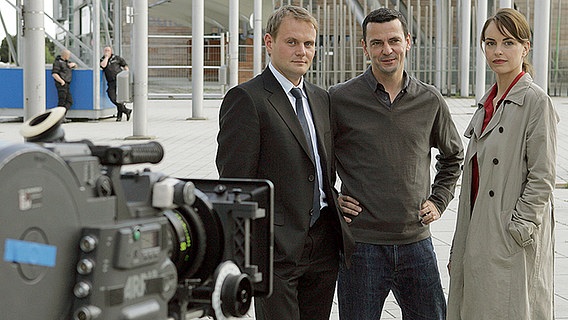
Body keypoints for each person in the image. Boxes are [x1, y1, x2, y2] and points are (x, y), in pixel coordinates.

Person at [216, 5, 354, 320]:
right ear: (269, 42)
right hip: (277, 249)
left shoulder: (321, 98)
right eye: (291, 42)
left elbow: (319, 166)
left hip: (323, 243)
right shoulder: (247, 99)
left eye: (308, 44)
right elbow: (235, 184)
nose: (301, 51)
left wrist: (332, 198)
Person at [330, 8, 464, 320]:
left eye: (393, 40)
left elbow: (453, 156)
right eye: (376, 43)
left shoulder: (429, 100)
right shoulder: (339, 99)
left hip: (416, 244)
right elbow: (314, 159)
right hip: (361, 246)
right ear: (364, 47)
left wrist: (439, 199)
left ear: (408, 41)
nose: (386, 50)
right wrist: (332, 198)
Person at [446, 8, 558, 320]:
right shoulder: (487, 102)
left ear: (526, 47)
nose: (498, 51)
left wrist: (519, 228)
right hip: (477, 230)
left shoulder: (536, 102)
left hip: (509, 237)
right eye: (490, 42)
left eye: (508, 42)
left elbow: (543, 175)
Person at [100, 46, 132, 121]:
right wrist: (106, 58)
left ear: (111, 51)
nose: (107, 52)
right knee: (112, 96)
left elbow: (125, 65)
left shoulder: (117, 58)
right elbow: (103, 65)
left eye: (108, 50)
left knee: (120, 97)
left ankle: (119, 115)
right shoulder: (102, 59)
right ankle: (126, 110)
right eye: (105, 50)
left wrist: (126, 75)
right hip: (111, 81)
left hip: (119, 80)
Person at [51, 49, 76, 119]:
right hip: (61, 84)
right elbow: (54, 73)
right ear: (65, 55)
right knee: (62, 101)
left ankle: (61, 116)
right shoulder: (57, 62)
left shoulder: (67, 62)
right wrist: (62, 81)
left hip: (67, 84)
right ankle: (58, 117)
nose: (69, 57)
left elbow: (75, 65)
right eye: (68, 55)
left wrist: (73, 64)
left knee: (69, 101)